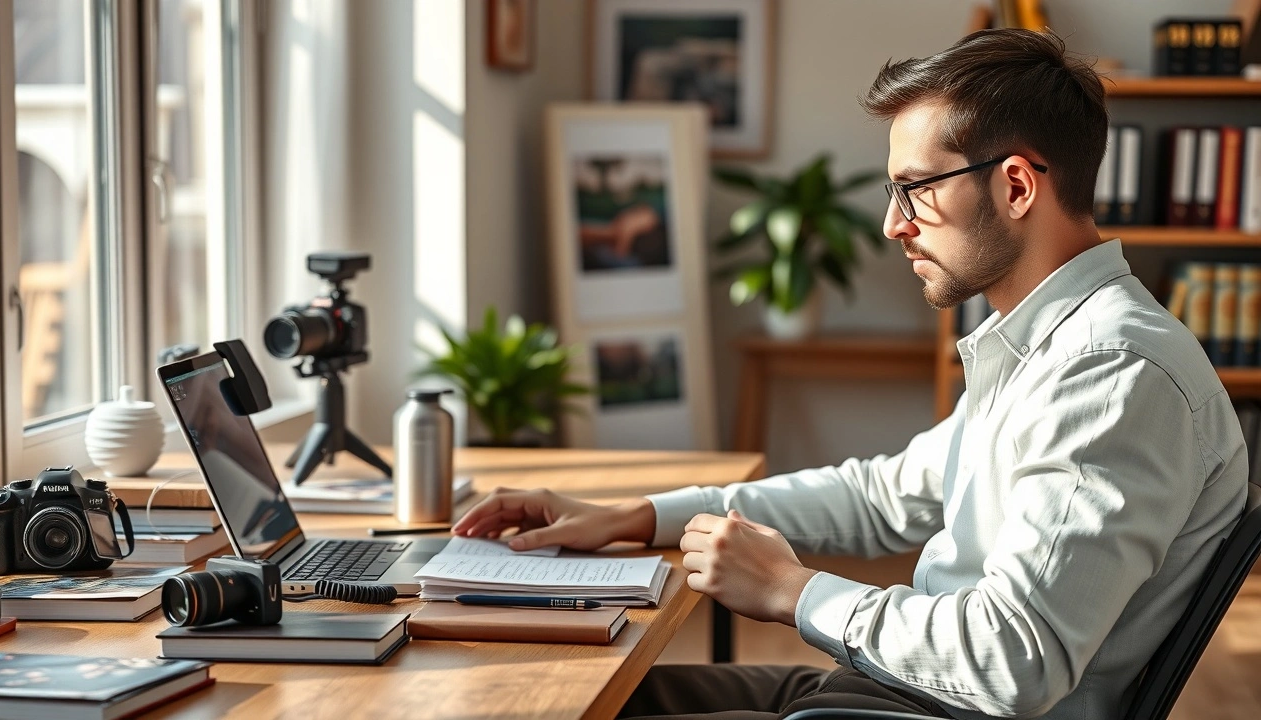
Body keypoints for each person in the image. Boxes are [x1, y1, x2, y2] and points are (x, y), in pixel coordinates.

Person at [452, 29, 1248, 720]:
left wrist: (792, 592)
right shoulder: (1045, 341)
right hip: (906, 692)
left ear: (1014, 186)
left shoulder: (1108, 371)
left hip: (947, 712)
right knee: (572, 702)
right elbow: (884, 496)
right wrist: (635, 517)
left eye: (916, 189)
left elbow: (1015, 661)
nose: (892, 223)